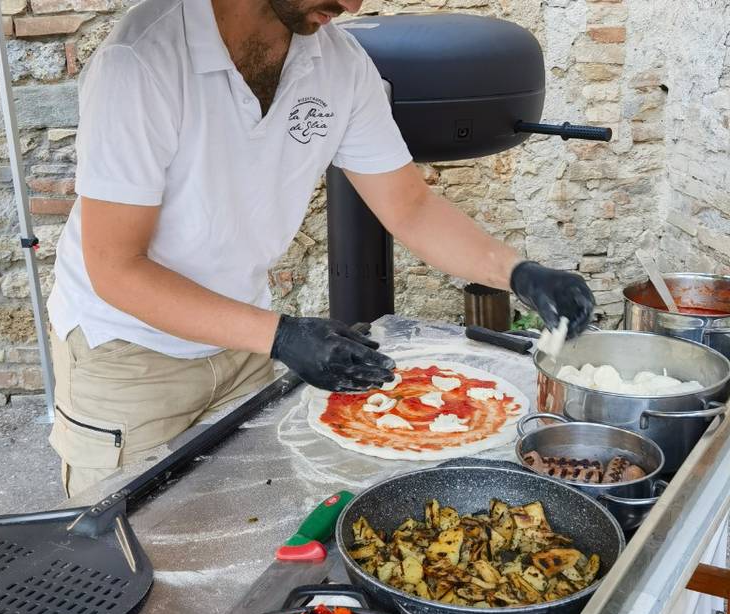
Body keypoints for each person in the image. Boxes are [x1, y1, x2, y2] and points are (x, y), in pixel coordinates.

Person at [46, 0, 595, 498]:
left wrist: (518, 273)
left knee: (251, 515)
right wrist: (282, 335)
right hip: (126, 357)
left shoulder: (338, 63)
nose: (352, 5)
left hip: (243, 338)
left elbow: (409, 207)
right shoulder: (140, 62)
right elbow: (117, 267)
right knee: (126, 548)